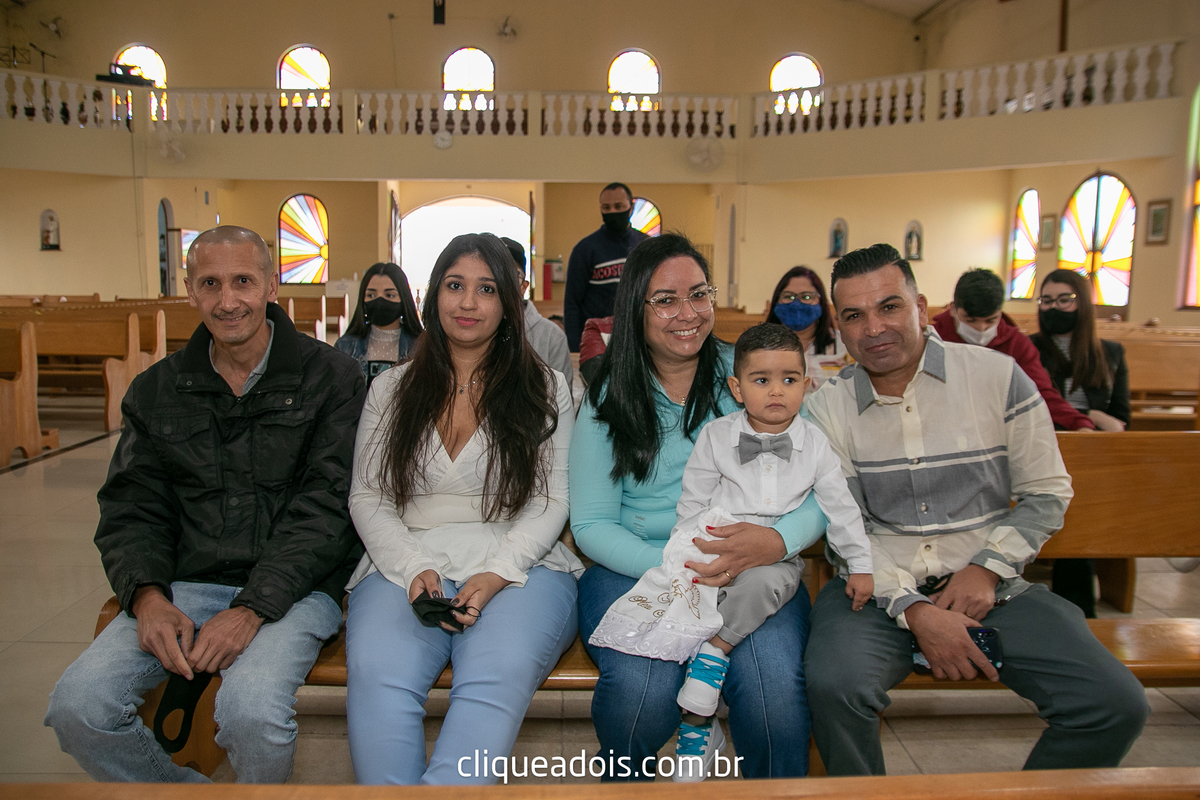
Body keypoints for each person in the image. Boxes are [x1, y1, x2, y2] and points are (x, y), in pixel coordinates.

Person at [803, 243, 1148, 777]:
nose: (873, 328)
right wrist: (919, 612)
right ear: (839, 326)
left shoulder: (998, 377)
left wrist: (986, 569)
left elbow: (1047, 493)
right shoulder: (827, 407)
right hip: (876, 591)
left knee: (1114, 702)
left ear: (921, 308)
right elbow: (845, 528)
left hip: (991, 584)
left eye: (890, 307)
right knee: (833, 685)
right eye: (854, 315)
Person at [45, 226, 367, 783]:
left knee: (250, 712)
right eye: (210, 284)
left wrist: (251, 609)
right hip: (183, 586)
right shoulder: (155, 390)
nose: (227, 301)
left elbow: (327, 508)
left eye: (243, 281)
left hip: (295, 590)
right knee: (79, 707)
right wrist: (147, 597)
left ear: (271, 286)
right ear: (190, 290)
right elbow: (132, 508)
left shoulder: (331, 377)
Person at [571, 234, 828, 781]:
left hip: (753, 565)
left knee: (774, 695)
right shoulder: (609, 393)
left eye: (698, 294)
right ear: (635, 307)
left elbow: (823, 486)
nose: (687, 313)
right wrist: (681, 569)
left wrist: (777, 541)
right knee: (639, 694)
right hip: (636, 563)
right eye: (665, 300)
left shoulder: (755, 372)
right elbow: (591, 523)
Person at [344, 233, 582, 785]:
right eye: (455, 286)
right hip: (405, 560)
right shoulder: (392, 389)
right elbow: (368, 496)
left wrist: (498, 571)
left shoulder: (545, 388)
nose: (468, 303)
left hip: (521, 563)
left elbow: (551, 499)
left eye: (487, 289)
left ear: (510, 301)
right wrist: (410, 567)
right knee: (379, 677)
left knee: (494, 676)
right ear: (432, 295)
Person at [588, 322, 873, 782]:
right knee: (678, 620)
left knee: (767, 599)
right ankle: (698, 727)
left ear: (807, 384)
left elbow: (839, 507)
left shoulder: (815, 444)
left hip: (774, 560)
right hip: (711, 547)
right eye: (762, 380)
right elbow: (694, 498)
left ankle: (714, 654)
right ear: (737, 389)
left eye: (789, 379)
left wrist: (859, 565)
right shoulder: (717, 435)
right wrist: (689, 553)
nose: (776, 391)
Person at [1029, 269, 1132, 616]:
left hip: (1093, 456)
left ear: (1082, 303)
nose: (1054, 308)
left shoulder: (1110, 353)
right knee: (1073, 507)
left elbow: (1121, 418)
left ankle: (1077, 610)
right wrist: (1094, 417)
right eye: (1046, 301)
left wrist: (1098, 421)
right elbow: (1036, 406)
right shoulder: (1030, 349)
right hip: (1044, 450)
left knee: (1083, 509)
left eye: (1064, 300)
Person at [931, 268, 1096, 431]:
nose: (981, 328)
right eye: (970, 320)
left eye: (990, 321)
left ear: (1000, 312)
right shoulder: (932, 339)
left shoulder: (1017, 344)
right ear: (953, 309)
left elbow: (1039, 394)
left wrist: (1079, 424)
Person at [563, 182, 649, 352]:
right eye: (606, 207)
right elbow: (572, 303)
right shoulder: (585, 249)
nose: (613, 212)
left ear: (631, 208)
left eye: (618, 206)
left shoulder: (646, 246)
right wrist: (575, 347)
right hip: (597, 341)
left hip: (640, 338)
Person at [501, 236, 573, 387]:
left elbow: (560, 397)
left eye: (511, 276)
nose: (504, 283)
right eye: (498, 274)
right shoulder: (473, 329)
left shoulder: (552, 337)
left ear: (523, 286)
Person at [335, 262, 423, 385]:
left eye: (389, 295)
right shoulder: (345, 346)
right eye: (371, 295)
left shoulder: (421, 347)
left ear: (403, 299)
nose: (380, 301)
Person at [765, 266, 848, 388]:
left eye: (807, 297)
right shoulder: (760, 347)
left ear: (821, 301)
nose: (797, 304)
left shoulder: (844, 345)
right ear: (777, 300)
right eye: (788, 296)